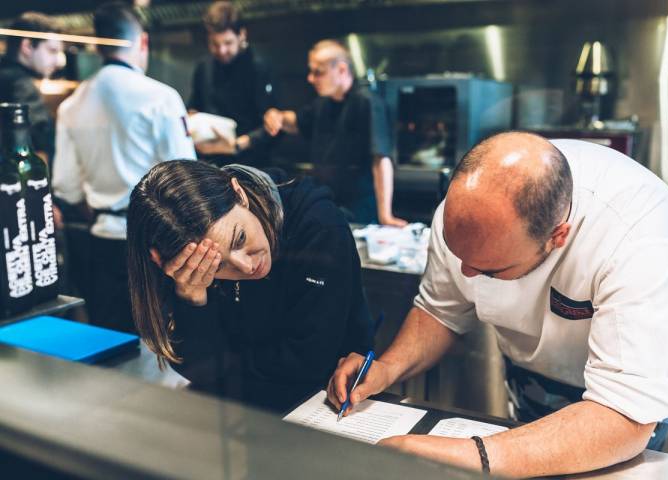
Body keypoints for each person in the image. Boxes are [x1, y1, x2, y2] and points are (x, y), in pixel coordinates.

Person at [327, 132, 668, 477]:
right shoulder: (467, 207)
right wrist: (386, 369)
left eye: (490, 270)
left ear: (558, 236)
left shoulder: (638, 232)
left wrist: (469, 455)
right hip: (531, 368)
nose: (467, 273)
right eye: (461, 258)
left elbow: (627, 416)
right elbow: (441, 308)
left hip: (623, 402)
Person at [126, 160, 374, 413]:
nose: (246, 266)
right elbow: (197, 368)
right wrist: (191, 298)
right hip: (232, 411)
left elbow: (308, 362)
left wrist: (225, 364)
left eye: (240, 238)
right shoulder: (185, 264)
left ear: (239, 193)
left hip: (322, 404)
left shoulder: (317, 224)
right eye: (216, 266)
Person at [52, 2, 196, 333]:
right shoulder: (161, 97)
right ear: (142, 42)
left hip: (101, 244)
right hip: (154, 245)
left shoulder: (72, 105)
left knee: (112, 343)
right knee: (160, 342)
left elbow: (66, 185)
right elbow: (186, 179)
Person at [264, 40, 406, 226]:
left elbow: (381, 159)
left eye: (318, 72)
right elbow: (297, 121)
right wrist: (278, 116)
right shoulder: (323, 103)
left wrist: (385, 215)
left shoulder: (368, 102)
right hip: (328, 203)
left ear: (341, 69)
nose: (310, 78)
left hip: (359, 209)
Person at [188, 1, 276, 167]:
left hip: (250, 164)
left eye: (228, 43)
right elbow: (194, 107)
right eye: (215, 44)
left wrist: (236, 145)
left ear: (241, 35)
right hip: (210, 163)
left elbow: (273, 124)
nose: (221, 50)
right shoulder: (203, 67)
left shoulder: (259, 67)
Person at [0, 12, 63, 162]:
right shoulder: (20, 84)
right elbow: (38, 144)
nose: (59, 61)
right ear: (27, 47)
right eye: (52, 51)